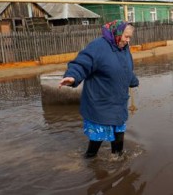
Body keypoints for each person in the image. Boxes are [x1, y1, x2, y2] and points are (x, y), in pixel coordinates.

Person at [59, 20, 139, 159]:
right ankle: (89, 161)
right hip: (100, 103)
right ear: (117, 32)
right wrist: (72, 76)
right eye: (126, 36)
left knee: (118, 139)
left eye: (130, 37)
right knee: (97, 139)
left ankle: (118, 162)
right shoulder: (98, 46)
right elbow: (82, 64)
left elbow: (126, 68)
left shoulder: (124, 48)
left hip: (118, 103)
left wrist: (132, 81)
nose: (128, 40)